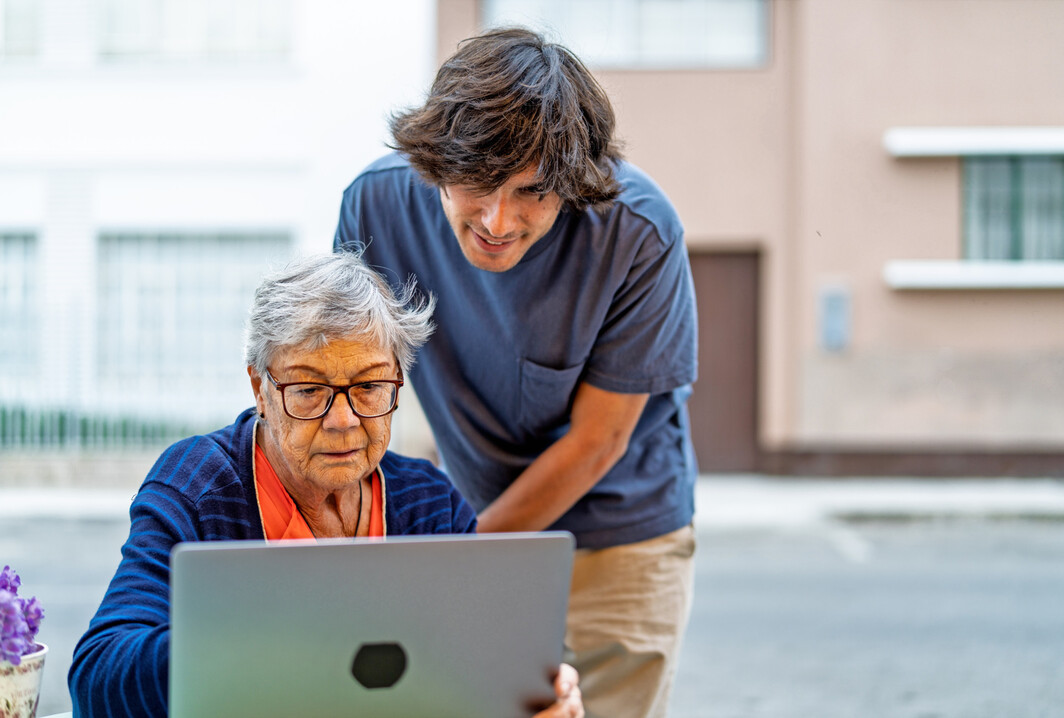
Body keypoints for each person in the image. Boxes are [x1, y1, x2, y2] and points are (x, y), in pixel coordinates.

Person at [334, 26, 698, 718]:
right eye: (476, 183)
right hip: (476, 519)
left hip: (619, 540)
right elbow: (350, 389)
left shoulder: (637, 231)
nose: (498, 220)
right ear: (435, 161)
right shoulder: (375, 206)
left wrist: (461, 558)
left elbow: (598, 442)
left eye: (532, 191)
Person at [68, 252, 583, 718]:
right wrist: (275, 639)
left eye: (370, 386)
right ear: (260, 389)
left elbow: (483, 668)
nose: (343, 420)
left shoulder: (430, 503)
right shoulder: (197, 486)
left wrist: (539, 699)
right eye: (309, 389)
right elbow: (98, 679)